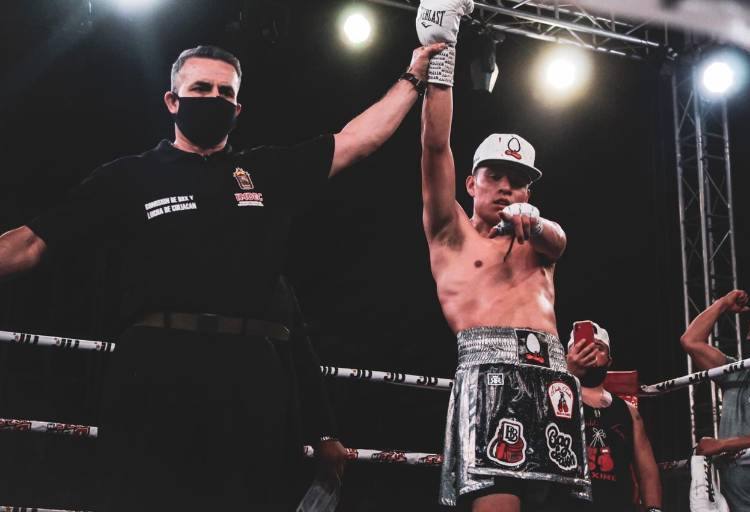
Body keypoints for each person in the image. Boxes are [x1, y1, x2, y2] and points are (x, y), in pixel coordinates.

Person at [0, 43, 444, 509]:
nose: (213, 98)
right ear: (172, 101)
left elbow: (358, 139)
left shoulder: (265, 171)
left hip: (252, 377)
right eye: (200, 88)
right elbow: (32, 242)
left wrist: (413, 75)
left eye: (224, 92)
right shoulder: (129, 177)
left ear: (237, 108)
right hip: (155, 370)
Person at [415, 1, 589, 510]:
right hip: (489, 374)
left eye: (518, 181)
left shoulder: (537, 240)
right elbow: (434, 148)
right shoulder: (450, 235)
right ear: (472, 183)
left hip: (554, 376)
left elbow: (560, 241)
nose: (507, 187)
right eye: (495, 176)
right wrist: (443, 57)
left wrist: (534, 221)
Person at [680, 290, 750, 512]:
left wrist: (724, 444)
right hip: (736, 505)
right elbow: (690, 340)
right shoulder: (735, 374)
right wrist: (722, 304)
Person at [566, 322, 663, 512]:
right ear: (568, 356)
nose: (590, 351)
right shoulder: (554, 398)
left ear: (609, 361)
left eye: (598, 347)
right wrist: (568, 375)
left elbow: (647, 472)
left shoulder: (629, 411)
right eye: (582, 346)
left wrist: (654, 510)